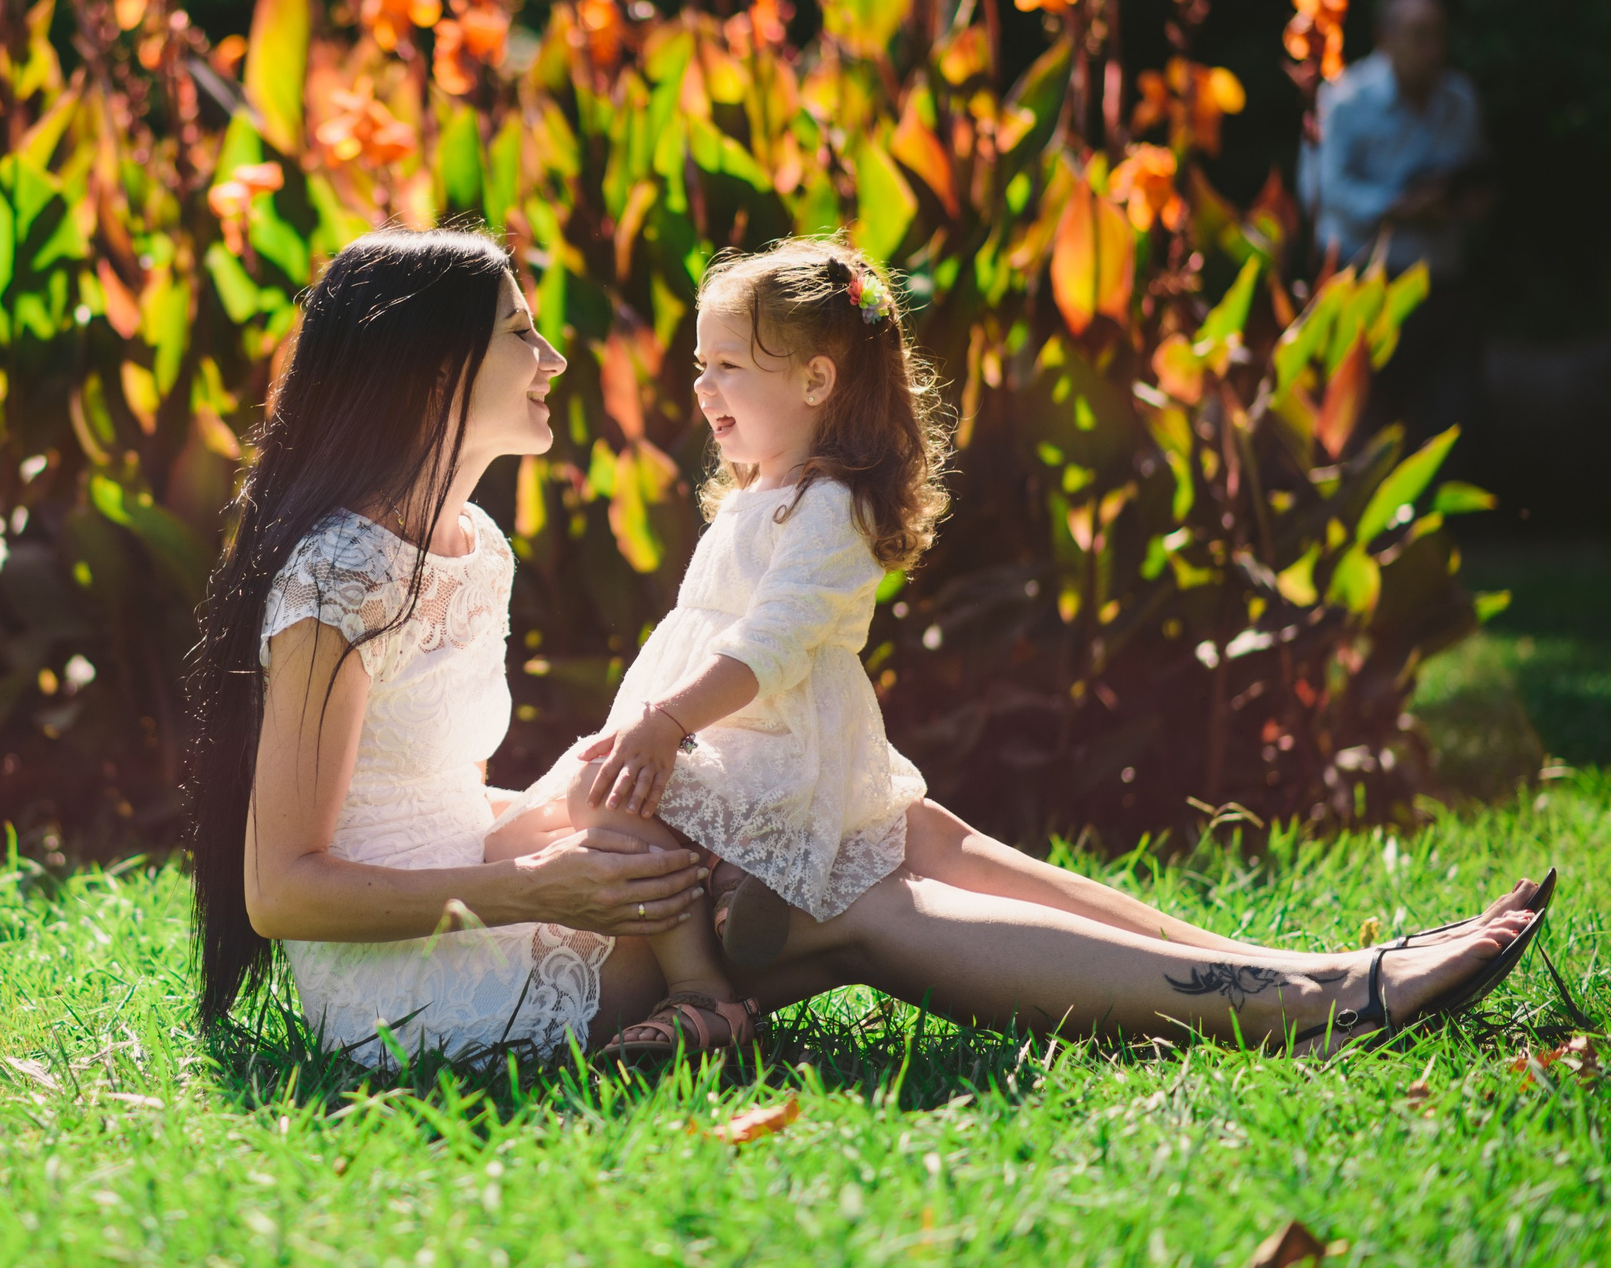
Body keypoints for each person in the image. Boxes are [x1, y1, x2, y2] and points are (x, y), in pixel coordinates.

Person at [185, 226, 1548, 1068]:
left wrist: (550, 822)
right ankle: (1314, 1006)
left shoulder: (467, 545)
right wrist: (557, 884)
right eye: (520, 335)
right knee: (856, 897)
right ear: (432, 376)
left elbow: (420, 802)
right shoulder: (338, 578)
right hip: (418, 987)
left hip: (506, 897)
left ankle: (1306, 977)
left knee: (909, 827)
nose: (551, 358)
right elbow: (285, 890)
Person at [487, 240, 940, 1059]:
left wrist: (666, 720)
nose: (702, 387)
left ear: (815, 380)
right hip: (729, 732)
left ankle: (705, 991)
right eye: (702, 364)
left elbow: (770, 647)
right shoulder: (756, 491)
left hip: (775, 740)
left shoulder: (827, 507)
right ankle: (730, 888)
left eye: (728, 365)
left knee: (601, 792)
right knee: (593, 797)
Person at [1298, 0, 1487, 434]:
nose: (1433, 51)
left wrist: (1467, 202)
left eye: (1439, 36)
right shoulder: (1345, 99)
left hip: (1440, 286)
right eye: (1419, 36)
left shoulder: (1457, 99)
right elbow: (1320, 191)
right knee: (1368, 422)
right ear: (1384, 38)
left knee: (1454, 418)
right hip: (1365, 284)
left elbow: (1475, 175)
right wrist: (1397, 208)